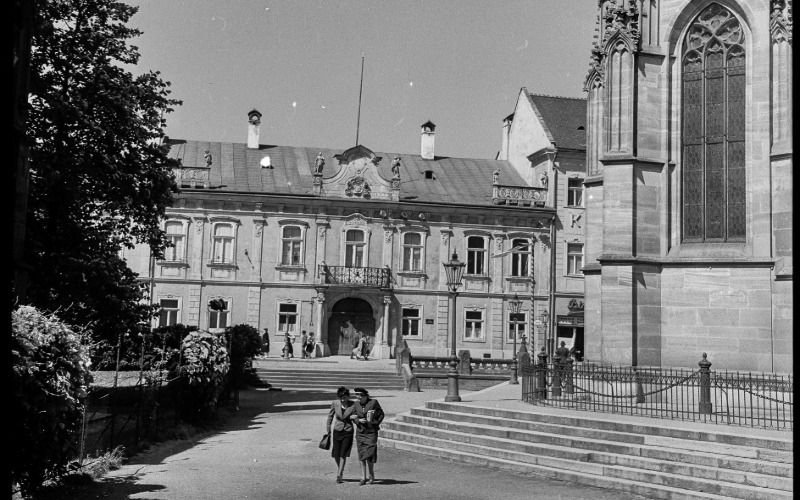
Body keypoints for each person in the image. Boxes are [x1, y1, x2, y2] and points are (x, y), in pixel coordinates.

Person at [350, 388, 384, 485]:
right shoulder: (356, 404)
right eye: (357, 395)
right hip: (360, 432)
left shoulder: (373, 402)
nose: (358, 397)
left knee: (370, 454)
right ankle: (363, 477)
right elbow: (353, 416)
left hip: (371, 432)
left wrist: (374, 422)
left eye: (360, 395)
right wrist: (358, 421)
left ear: (365, 395)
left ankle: (371, 474)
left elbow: (381, 414)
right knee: (361, 454)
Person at [326, 386, 356, 484]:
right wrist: (328, 428)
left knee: (343, 453)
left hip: (348, 431)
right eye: (341, 398)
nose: (343, 400)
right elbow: (330, 416)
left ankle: (339, 474)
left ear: (348, 397)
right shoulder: (335, 403)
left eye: (345, 398)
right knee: (336, 454)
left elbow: (357, 417)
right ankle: (341, 469)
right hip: (337, 430)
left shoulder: (353, 405)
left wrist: (354, 418)